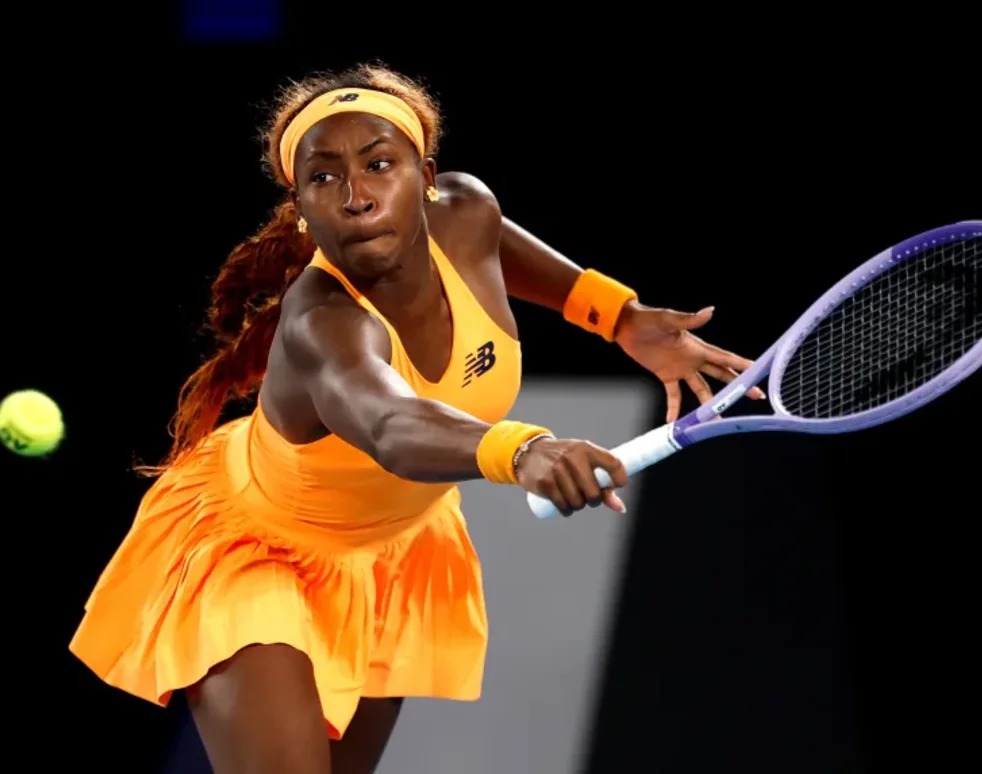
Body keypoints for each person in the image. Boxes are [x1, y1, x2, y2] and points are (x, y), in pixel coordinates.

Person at [69, 63, 764, 774]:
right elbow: (391, 426)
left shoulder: (465, 214)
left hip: (394, 555)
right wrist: (522, 450)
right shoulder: (322, 322)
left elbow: (510, 255)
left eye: (379, 165)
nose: (357, 197)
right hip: (259, 552)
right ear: (301, 208)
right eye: (325, 179)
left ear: (426, 176)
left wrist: (621, 318)